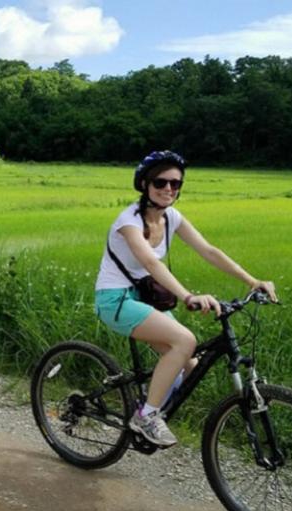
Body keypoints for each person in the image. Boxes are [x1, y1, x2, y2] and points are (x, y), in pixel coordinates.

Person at [94, 150, 277, 447]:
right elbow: (151, 264)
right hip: (114, 300)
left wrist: (252, 281)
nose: (168, 189)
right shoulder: (128, 222)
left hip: (143, 298)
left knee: (189, 364)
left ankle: (146, 409)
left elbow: (209, 250)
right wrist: (188, 295)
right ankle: (147, 417)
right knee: (184, 341)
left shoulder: (172, 217)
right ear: (144, 184)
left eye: (175, 184)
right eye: (160, 182)